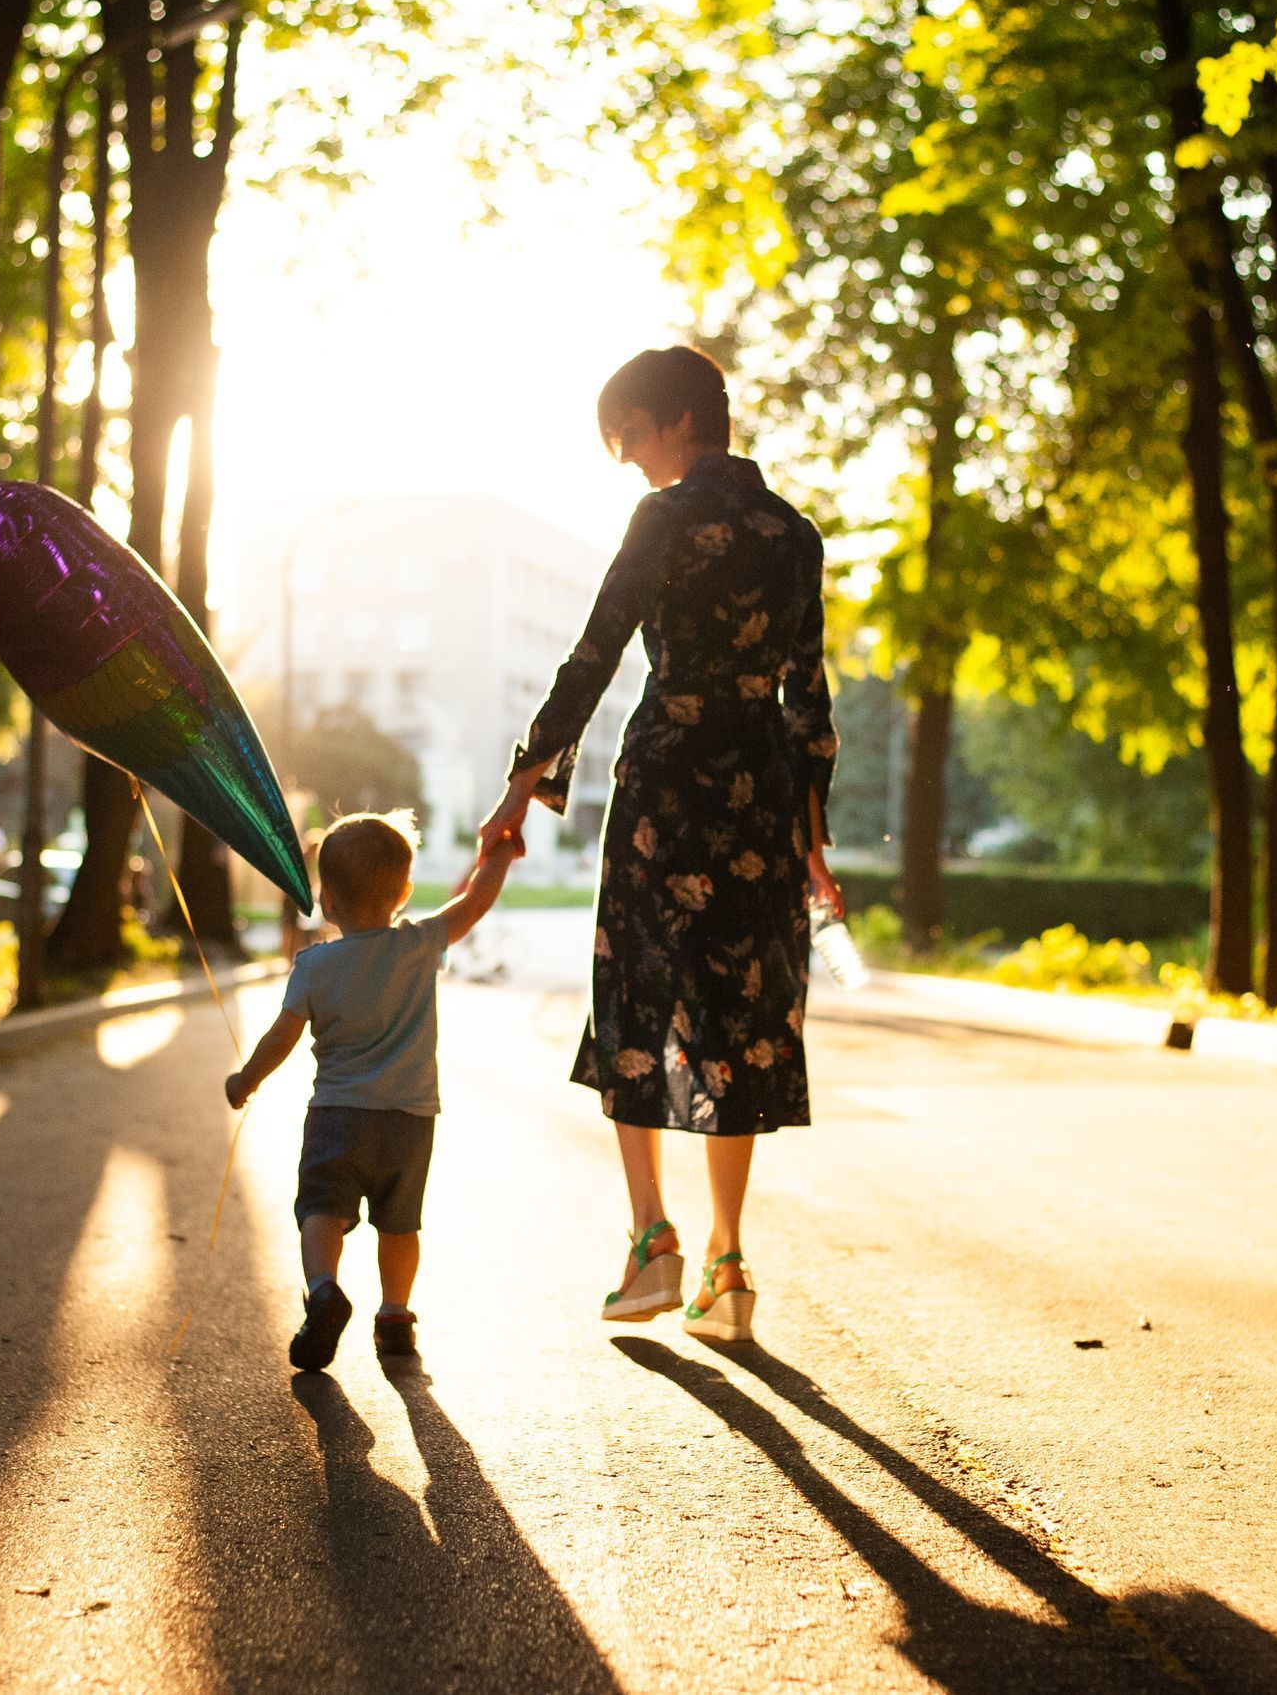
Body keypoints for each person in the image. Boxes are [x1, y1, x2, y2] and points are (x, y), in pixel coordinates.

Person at [481, 346, 839, 1343]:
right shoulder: (794, 535)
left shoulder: (666, 518)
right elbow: (808, 692)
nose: (629, 459)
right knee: (744, 1011)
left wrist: (522, 786)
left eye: (630, 435)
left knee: (636, 991)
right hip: (759, 790)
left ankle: (653, 1243)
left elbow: (594, 652)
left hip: (666, 782)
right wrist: (814, 837)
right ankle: (726, 1262)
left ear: (681, 420)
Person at [225, 811, 521, 1370]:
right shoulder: (420, 944)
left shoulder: (313, 966)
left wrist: (246, 1080)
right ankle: (394, 1318)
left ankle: (323, 1291)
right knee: (400, 1224)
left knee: (320, 1209)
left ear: (326, 899)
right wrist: (500, 854)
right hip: (409, 1122)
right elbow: (474, 904)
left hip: (337, 1115)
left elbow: (279, 1039)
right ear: (404, 893)